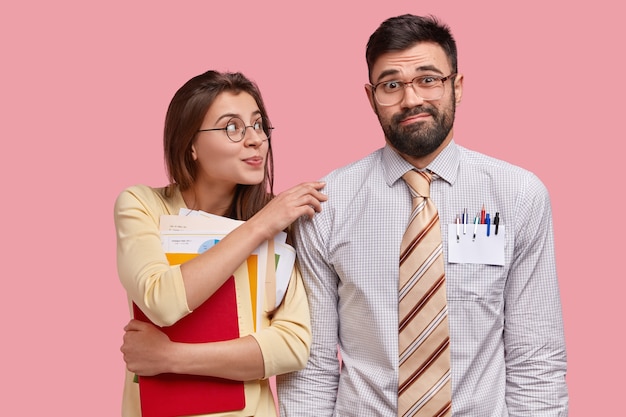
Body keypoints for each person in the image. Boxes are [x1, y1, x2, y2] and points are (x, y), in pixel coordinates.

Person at [277, 14, 568, 416]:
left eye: (428, 79)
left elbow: (537, 357)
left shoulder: (518, 195)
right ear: (370, 96)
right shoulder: (327, 204)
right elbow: (312, 367)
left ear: (457, 86)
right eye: (391, 85)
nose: (411, 99)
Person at [114, 70, 327, 417]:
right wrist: (259, 225)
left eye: (258, 125)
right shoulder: (141, 205)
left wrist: (170, 357)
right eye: (232, 128)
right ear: (191, 145)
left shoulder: (279, 219)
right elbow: (162, 300)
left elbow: (291, 346)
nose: (256, 139)